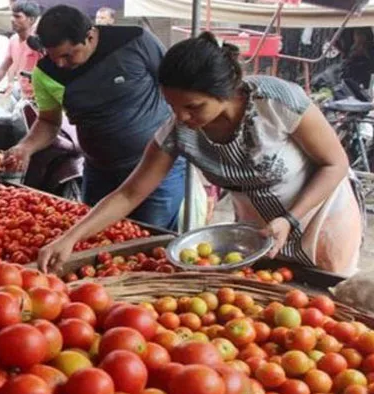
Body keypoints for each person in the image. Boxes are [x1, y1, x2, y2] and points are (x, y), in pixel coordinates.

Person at [38, 32, 365, 276]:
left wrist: (290, 219)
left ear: (225, 90)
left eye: (193, 106)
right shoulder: (180, 132)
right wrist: (71, 238)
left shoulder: (277, 101)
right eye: (173, 106)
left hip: (320, 215)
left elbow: (334, 163)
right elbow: (129, 193)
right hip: (260, 227)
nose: (182, 117)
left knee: (323, 294)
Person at [8, 5, 185, 230]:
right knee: (94, 238)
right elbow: (48, 122)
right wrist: (25, 147)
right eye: (54, 57)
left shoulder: (136, 41)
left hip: (157, 169)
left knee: (149, 239)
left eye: (67, 54)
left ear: (90, 36)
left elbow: (175, 85)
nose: (61, 64)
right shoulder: (45, 72)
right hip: (99, 173)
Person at [0, 1, 42, 100]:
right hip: (26, 98)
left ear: (31, 20)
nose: (12, 20)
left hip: (44, 99)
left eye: (18, 17)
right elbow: (2, 70)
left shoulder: (39, 41)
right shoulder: (13, 40)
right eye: (12, 16)